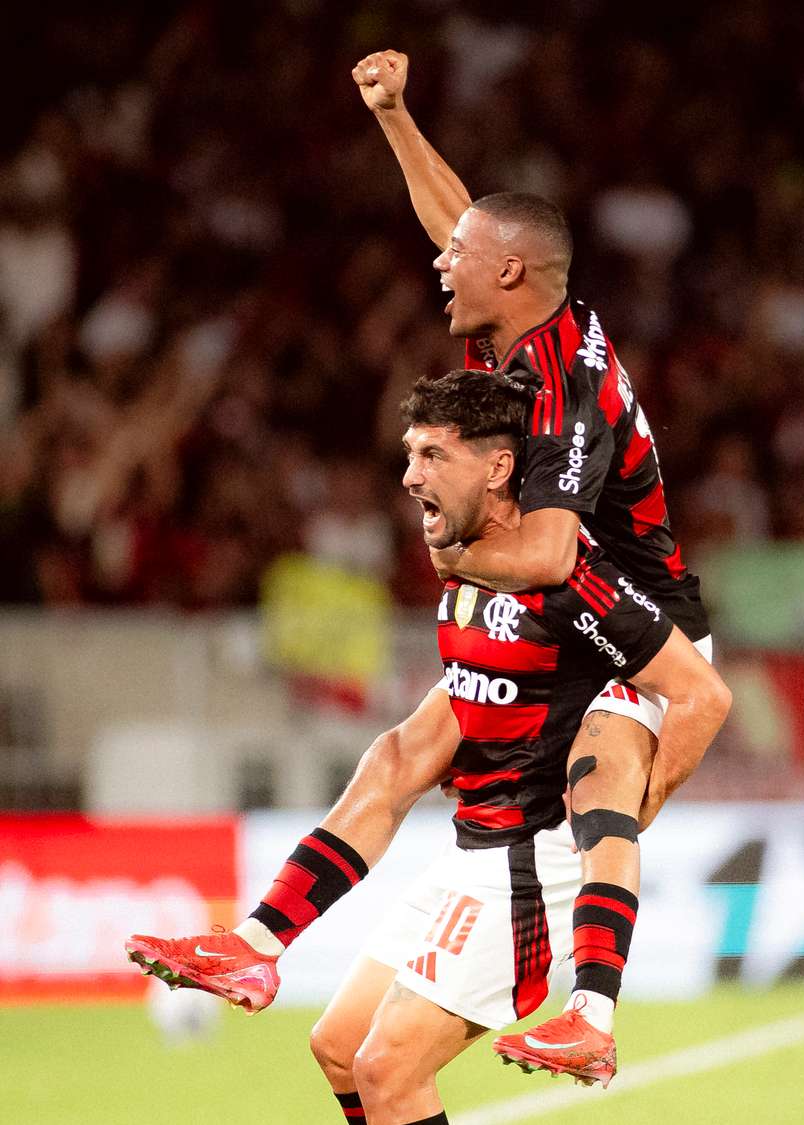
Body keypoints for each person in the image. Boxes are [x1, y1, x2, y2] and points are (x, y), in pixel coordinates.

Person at [124, 46, 724, 1089]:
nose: (440, 261)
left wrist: (449, 538)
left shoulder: (563, 390)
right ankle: (260, 945)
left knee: (599, 785)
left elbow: (547, 551)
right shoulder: (518, 329)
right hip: (546, 610)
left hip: (622, 619)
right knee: (403, 757)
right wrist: (394, 115)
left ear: (512, 276)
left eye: (462, 258)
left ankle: (592, 1008)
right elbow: (464, 224)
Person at [130, 372, 728, 1123]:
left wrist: (634, 812)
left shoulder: (570, 577)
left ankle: (592, 1012)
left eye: (432, 455)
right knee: (340, 1046)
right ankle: (253, 943)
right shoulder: (464, 565)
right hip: (471, 851)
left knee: (386, 1067)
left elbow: (703, 693)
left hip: (528, 866)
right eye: (410, 454)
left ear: (498, 468)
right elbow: (436, 737)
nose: (410, 475)